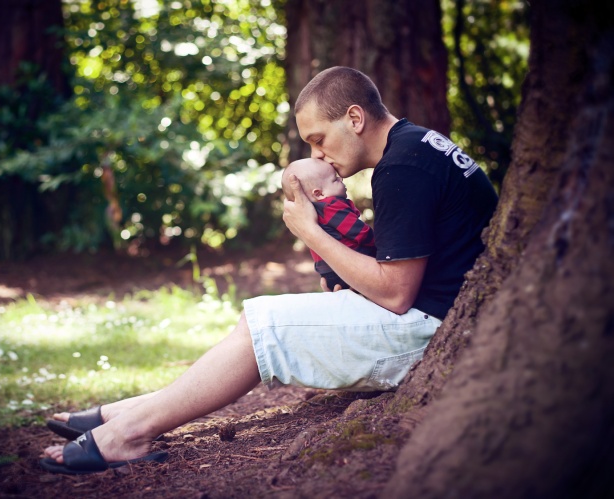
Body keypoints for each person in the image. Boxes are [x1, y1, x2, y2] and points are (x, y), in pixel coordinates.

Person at [40, 66, 498, 474]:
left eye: (319, 140)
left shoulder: (403, 168)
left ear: (355, 119)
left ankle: (127, 433)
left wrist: (310, 232)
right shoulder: (417, 147)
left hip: (429, 331)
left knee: (265, 326)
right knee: (256, 322)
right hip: (440, 317)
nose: (318, 157)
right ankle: (125, 415)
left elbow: (396, 292)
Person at [281, 157, 375, 290]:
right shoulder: (331, 206)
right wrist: (379, 242)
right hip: (350, 265)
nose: (341, 180)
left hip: (328, 271)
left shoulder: (311, 212)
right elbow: (358, 232)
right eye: (335, 179)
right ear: (319, 193)